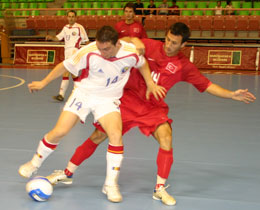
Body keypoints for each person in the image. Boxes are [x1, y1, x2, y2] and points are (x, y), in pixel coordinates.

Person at [46, 23, 256, 206]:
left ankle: (160, 188)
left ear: (183, 45)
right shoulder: (151, 45)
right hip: (127, 101)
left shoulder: (185, 66)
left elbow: (207, 85)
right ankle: (67, 173)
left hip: (153, 108)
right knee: (98, 136)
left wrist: (231, 95)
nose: (168, 45)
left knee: (166, 137)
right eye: (167, 39)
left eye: (174, 43)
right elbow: (124, 42)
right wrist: (134, 40)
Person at [18, 26, 165, 203]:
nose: (102, 52)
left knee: (116, 136)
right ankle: (34, 163)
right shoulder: (89, 51)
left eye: (106, 49)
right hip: (84, 94)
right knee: (60, 131)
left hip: (108, 99)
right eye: (99, 48)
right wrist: (43, 82)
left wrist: (150, 82)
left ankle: (110, 184)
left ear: (117, 43)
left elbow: (142, 64)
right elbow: (64, 66)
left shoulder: (130, 53)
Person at [46, 10, 89, 102]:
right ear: (67, 17)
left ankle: (61, 95)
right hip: (67, 53)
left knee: (66, 72)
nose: (71, 18)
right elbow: (58, 38)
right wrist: (51, 37)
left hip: (75, 52)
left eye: (73, 16)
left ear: (76, 18)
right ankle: (81, 94)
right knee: (73, 75)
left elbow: (86, 40)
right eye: (69, 16)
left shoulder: (79, 27)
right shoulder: (65, 28)